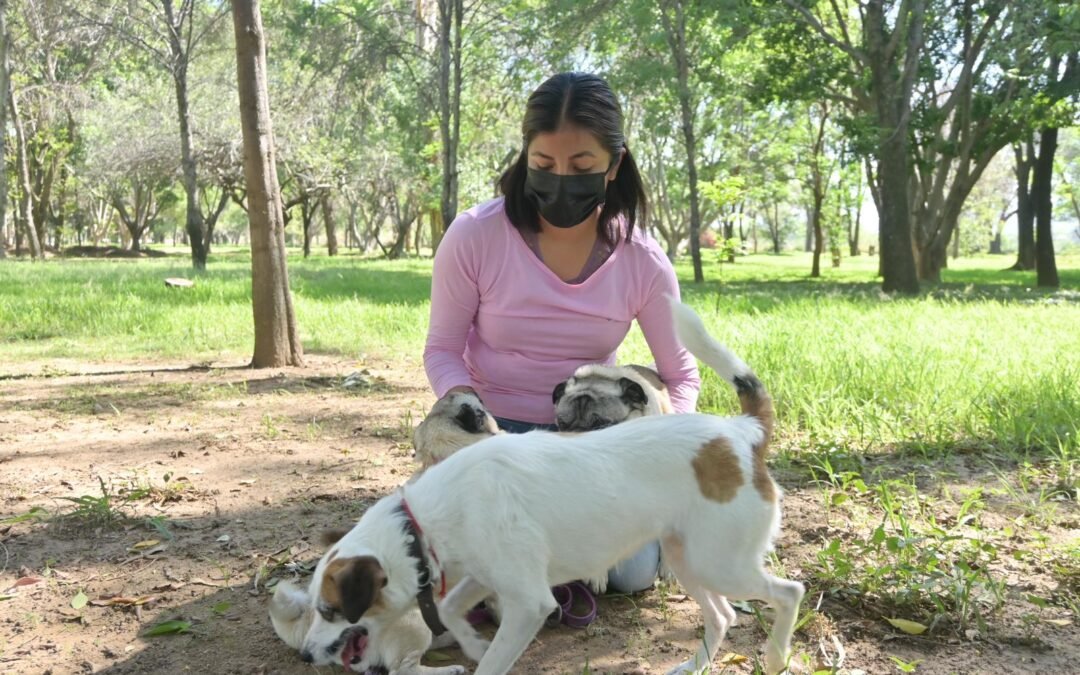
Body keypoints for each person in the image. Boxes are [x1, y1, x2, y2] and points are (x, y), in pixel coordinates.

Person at [423, 72, 701, 594]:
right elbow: (442, 349)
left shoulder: (643, 261)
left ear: (614, 165)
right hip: (494, 437)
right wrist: (466, 411)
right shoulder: (475, 237)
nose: (560, 180)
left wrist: (653, 441)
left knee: (630, 575)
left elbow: (681, 374)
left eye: (582, 167)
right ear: (525, 156)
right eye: (544, 165)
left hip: (593, 443)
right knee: (444, 563)